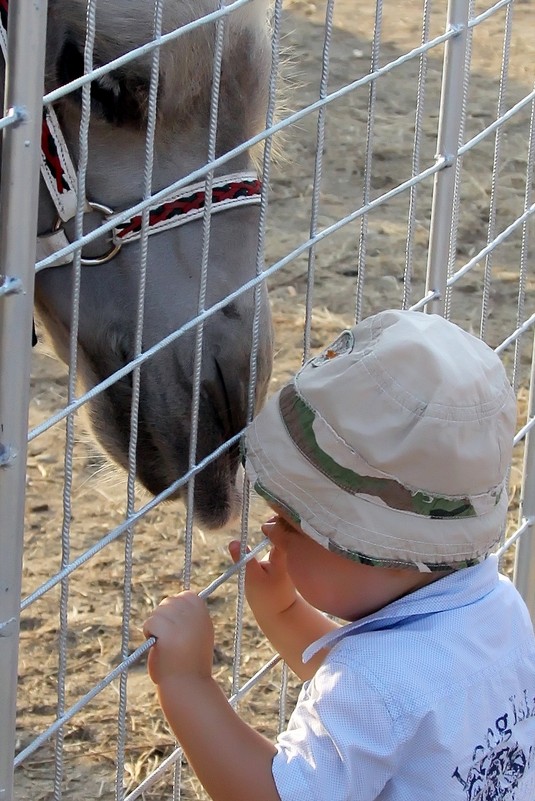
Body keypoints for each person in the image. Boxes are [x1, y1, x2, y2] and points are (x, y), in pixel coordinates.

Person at [143, 309, 535, 801]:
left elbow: (275, 793)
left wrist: (188, 682)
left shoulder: (375, 682)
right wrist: (286, 612)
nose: (270, 531)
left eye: (292, 523)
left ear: (377, 550)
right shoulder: (497, 609)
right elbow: (393, 706)